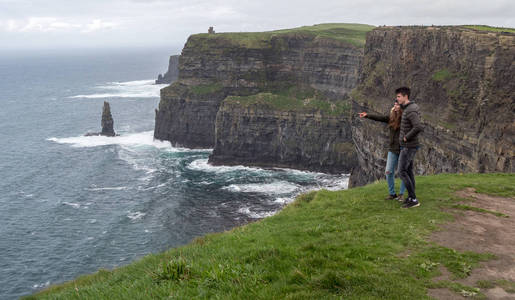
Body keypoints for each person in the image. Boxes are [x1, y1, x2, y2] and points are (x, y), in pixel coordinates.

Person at [359, 101, 406, 201]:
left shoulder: (405, 118)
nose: (395, 106)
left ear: (402, 107)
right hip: (392, 149)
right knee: (388, 172)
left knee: (403, 173)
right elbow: (380, 118)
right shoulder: (391, 117)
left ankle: (402, 194)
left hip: (403, 149)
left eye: (397, 105)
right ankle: (392, 194)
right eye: (394, 105)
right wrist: (367, 115)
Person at [395, 87, 424, 208]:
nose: (397, 99)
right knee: (409, 171)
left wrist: (406, 137)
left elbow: (418, 127)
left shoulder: (410, 110)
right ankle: (412, 197)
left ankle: (414, 199)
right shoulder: (408, 108)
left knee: (401, 171)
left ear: (405, 96)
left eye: (398, 96)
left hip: (408, 146)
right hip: (409, 146)